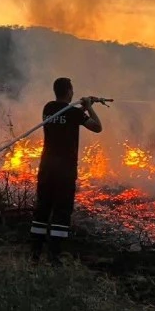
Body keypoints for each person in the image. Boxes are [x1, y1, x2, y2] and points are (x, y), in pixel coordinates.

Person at [31, 77, 103, 262]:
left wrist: (83, 108)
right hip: (65, 169)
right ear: (70, 91)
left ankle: (35, 253)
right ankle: (54, 255)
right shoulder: (72, 113)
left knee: (43, 207)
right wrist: (90, 108)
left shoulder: (48, 108)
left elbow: (68, 118)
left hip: (46, 167)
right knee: (62, 209)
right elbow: (97, 127)